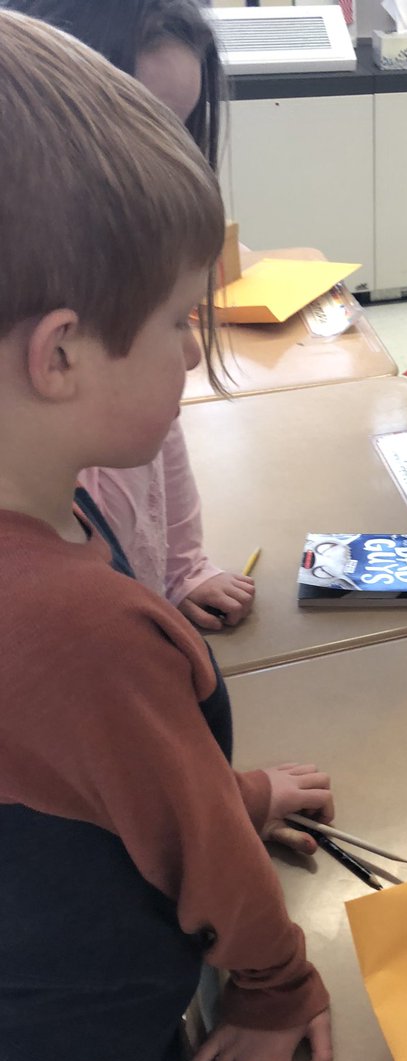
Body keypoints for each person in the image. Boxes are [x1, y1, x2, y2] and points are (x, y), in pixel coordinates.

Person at [0, 13, 333, 1061]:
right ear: (62, 356)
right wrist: (276, 986)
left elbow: (80, 791)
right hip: (115, 1037)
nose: (193, 357)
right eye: (178, 325)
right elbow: (203, 860)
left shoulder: (53, 529)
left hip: (23, 1039)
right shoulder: (84, 626)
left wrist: (228, 791)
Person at [3, 0, 252, 632]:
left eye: (181, 127)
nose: (166, 154)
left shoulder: (118, 348)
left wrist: (182, 569)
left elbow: (161, 433)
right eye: (140, 118)